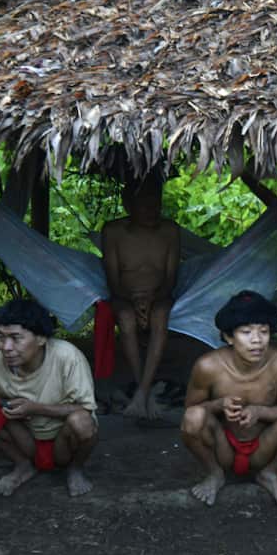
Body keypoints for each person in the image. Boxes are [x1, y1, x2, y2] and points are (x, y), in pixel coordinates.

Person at [180, 291, 277, 506]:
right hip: (223, 446)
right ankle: (215, 474)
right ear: (228, 337)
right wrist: (219, 404)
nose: (257, 340)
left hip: (264, 447)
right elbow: (190, 413)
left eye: (264, 331)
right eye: (246, 332)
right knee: (194, 417)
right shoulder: (208, 366)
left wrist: (261, 412)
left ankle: (269, 474)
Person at [0, 299, 98, 497]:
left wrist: (35, 408)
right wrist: (11, 408)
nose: (6, 347)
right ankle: (23, 464)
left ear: (40, 339)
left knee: (82, 421)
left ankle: (75, 468)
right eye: (1, 337)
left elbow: (86, 410)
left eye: (15, 338)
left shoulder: (67, 357)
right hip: (27, 439)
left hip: (62, 443)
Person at [101, 175, 180, 419]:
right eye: (144, 205)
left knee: (160, 316)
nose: (151, 210)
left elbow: (171, 277)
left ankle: (142, 392)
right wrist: (133, 301)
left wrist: (153, 300)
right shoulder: (113, 232)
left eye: (155, 203)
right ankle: (141, 386)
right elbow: (113, 279)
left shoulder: (169, 231)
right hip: (124, 296)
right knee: (125, 319)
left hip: (160, 297)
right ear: (128, 206)